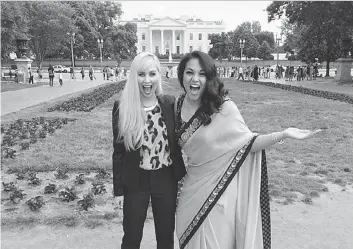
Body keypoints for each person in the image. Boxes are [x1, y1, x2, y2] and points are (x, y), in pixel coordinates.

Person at [174, 51, 321, 249]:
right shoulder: (175, 106)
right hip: (190, 194)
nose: (195, 79)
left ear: (209, 78)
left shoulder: (223, 108)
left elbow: (248, 143)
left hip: (219, 195)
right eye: (189, 72)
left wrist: (283, 134)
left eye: (202, 74)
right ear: (181, 74)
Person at [112, 52, 186, 249]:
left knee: (165, 236)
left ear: (158, 76)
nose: (147, 81)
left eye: (152, 74)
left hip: (165, 178)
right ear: (133, 76)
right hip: (135, 181)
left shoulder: (170, 104)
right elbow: (118, 152)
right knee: (132, 236)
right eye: (141, 74)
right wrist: (118, 190)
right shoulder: (123, 108)